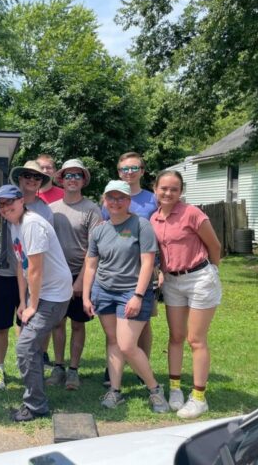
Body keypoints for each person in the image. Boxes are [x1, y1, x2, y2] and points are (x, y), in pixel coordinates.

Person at [82, 180, 169, 413]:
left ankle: (155, 389)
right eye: (111, 198)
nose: (115, 202)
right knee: (113, 341)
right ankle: (115, 391)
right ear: (104, 201)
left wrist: (138, 296)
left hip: (132, 292)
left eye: (121, 198)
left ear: (128, 201)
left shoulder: (141, 225)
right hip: (103, 291)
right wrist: (86, 296)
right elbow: (90, 265)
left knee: (128, 345)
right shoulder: (99, 230)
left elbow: (148, 262)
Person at [0, 184, 72, 422]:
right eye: (1, 205)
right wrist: (22, 300)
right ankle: (36, 399)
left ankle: (35, 405)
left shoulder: (32, 225)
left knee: (25, 346)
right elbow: (21, 264)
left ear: (21, 201)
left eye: (9, 202)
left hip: (54, 295)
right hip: (41, 293)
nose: (5, 208)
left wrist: (33, 305)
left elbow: (36, 269)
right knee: (31, 347)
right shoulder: (14, 225)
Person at [151, 170, 222, 419]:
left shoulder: (192, 213)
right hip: (172, 281)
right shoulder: (154, 219)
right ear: (155, 189)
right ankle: (175, 388)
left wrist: (211, 270)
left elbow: (215, 246)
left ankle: (199, 397)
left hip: (199, 278)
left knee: (195, 339)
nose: (168, 193)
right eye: (164, 188)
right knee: (176, 336)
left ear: (181, 191)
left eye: (174, 189)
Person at [0, 160, 54, 391]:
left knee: (32, 324)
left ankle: (30, 367)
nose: (31, 180)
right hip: (3, 273)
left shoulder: (44, 210)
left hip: (31, 275)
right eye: (27, 176)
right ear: (20, 179)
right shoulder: (5, 202)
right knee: (1, 326)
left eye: (37, 177)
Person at [101, 152, 159, 386]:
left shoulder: (153, 199)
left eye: (134, 168)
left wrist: (160, 268)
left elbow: (162, 234)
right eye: (125, 169)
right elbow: (106, 232)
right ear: (119, 172)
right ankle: (113, 369)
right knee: (114, 327)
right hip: (116, 269)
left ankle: (140, 367)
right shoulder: (109, 200)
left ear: (142, 171)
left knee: (143, 322)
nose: (129, 173)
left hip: (146, 268)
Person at [46, 159, 102, 391]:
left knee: (78, 324)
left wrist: (81, 282)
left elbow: (94, 249)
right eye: (68, 175)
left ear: (84, 180)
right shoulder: (52, 209)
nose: (72, 179)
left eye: (77, 175)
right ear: (61, 179)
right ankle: (58, 366)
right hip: (56, 275)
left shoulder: (92, 209)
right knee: (57, 324)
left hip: (81, 273)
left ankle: (73, 370)